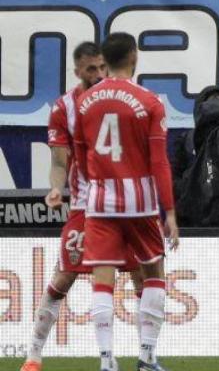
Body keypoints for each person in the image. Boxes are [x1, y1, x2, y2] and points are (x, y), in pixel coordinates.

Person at [19, 42, 144, 371]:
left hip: (128, 206)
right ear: (77, 72)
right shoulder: (64, 109)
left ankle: (147, 355)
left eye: (103, 67)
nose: (99, 74)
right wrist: (56, 189)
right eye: (91, 69)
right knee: (63, 279)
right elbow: (60, 162)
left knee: (143, 277)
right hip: (87, 207)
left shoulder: (125, 99)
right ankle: (33, 354)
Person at [72, 32, 179, 371]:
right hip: (141, 203)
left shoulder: (85, 102)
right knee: (154, 274)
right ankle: (147, 356)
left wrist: (95, 187)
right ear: (134, 56)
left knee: (102, 280)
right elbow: (159, 161)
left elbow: (80, 154)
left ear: (106, 58)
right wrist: (171, 211)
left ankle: (106, 360)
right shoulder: (149, 102)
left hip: (101, 203)